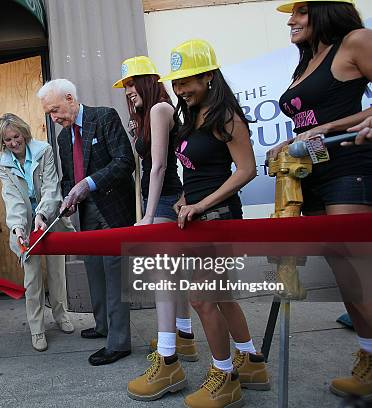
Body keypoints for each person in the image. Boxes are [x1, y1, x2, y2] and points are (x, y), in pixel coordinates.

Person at [267, 0, 372, 400]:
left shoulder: (355, 41)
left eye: (301, 12)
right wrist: (289, 141)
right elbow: (306, 125)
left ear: (327, 10)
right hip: (312, 175)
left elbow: (331, 120)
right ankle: (367, 358)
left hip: (350, 168)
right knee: (346, 280)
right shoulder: (309, 60)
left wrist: (334, 125)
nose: (291, 21)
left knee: (361, 278)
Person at [164, 39, 270, 408]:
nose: (180, 90)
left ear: (209, 76)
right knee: (221, 296)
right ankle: (251, 361)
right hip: (198, 217)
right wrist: (184, 200)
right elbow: (195, 171)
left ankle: (224, 376)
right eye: (176, 83)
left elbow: (247, 170)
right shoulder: (192, 116)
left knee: (201, 299)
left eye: (187, 81)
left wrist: (202, 204)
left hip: (218, 218)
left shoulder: (226, 116)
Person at [112, 56, 196, 401]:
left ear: (148, 81)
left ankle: (168, 357)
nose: (129, 91)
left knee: (163, 275)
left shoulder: (161, 109)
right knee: (172, 274)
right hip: (158, 199)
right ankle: (184, 337)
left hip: (164, 199)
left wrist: (148, 215)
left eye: (133, 84)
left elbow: (159, 166)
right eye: (125, 87)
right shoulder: (148, 114)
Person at [37, 78, 136, 366]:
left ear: (70, 98)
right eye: (49, 114)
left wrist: (88, 184)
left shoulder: (104, 117)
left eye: (55, 110)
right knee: (94, 271)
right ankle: (103, 324)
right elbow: (69, 178)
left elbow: (123, 162)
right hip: (86, 213)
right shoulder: (61, 138)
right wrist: (69, 199)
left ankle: (118, 343)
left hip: (113, 210)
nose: (54, 118)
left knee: (115, 275)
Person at [0, 113, 74, 352]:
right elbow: (12, 198)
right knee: (32, 278)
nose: (13, 142)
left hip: (48, 218)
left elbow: (50, 186)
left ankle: (61, 315)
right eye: (7, 140)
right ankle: (37, 329)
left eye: (16, 136)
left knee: (57, 272)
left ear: (24, 133)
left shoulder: (43, 150)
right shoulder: (0, 163)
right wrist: (18, 227)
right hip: (25, 225)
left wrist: (43, 214)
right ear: (2, 141)